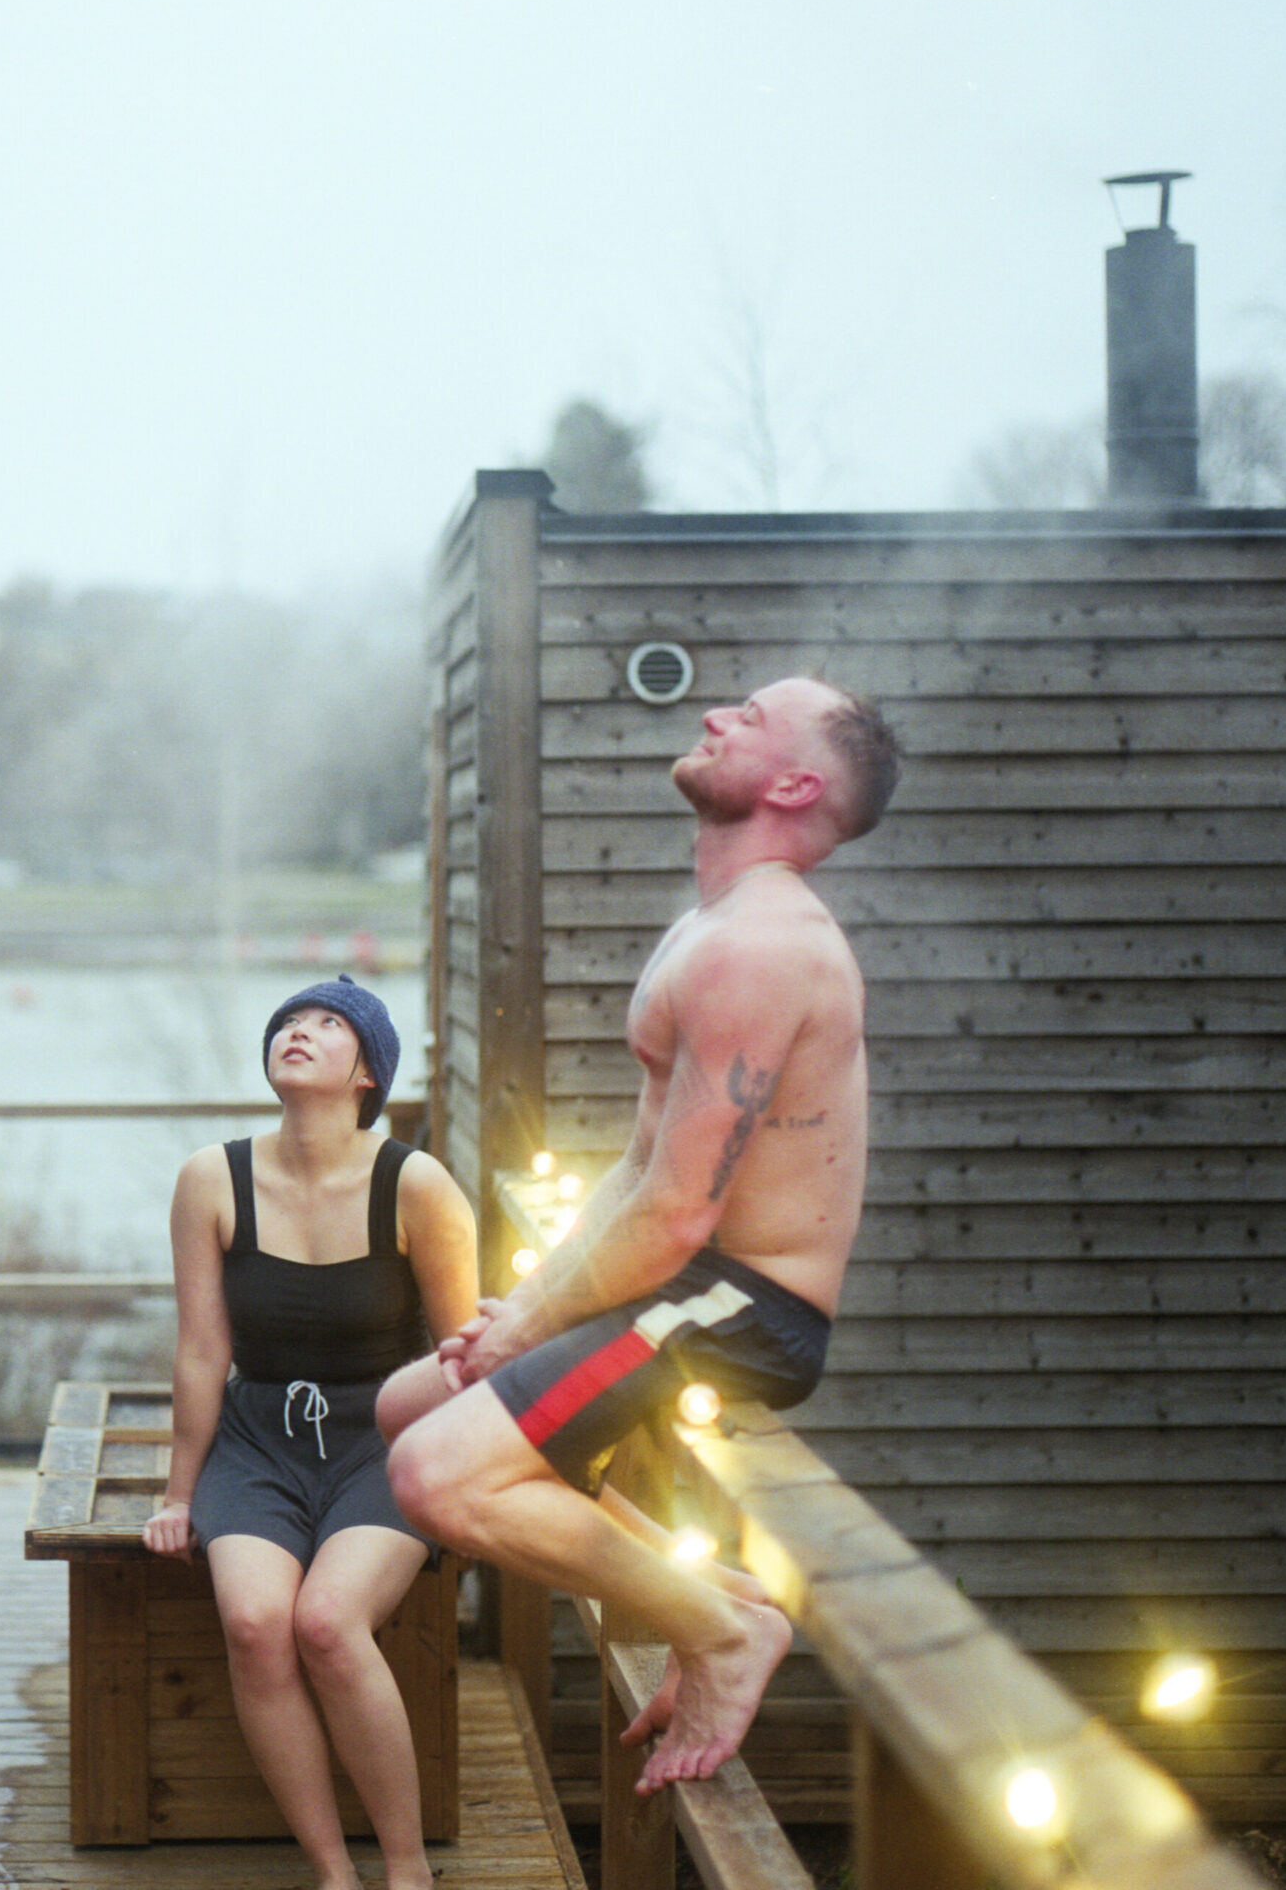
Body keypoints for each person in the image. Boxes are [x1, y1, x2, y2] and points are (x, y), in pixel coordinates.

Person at [381, 675, 902, 1797]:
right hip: (681, 1278)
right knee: (407, 1402)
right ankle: (715, 1590)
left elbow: (678, 1211)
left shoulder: (759, 948)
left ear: (795, 782)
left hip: (742, 1303)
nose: (718, 715)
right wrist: (518, 1313)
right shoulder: (709, 926)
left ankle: (718, 1626)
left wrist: (527, 1313)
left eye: (752, 717)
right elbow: (635, 1169)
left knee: (432, 1472)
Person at [143, 975, 477, 1890]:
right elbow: (203, 1349)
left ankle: (406, 1871)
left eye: (330, 1025)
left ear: (367, 1071)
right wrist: (179, 1494)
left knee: (328, 1624)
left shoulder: (418, 1185)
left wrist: (465, 1479)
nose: (300, 1031)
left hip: (385, 1439)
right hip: (259, 1440)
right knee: (255, 1623)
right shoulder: (210, 1179)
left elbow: (463, 1355)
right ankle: (332, 1871)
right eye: (288, 1021)